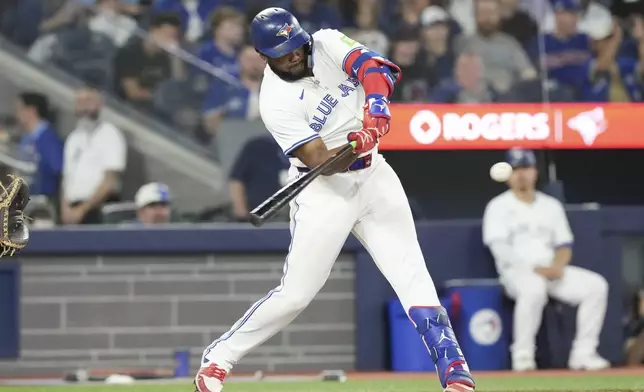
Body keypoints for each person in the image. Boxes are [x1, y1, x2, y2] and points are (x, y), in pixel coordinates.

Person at [194, 8, 475, 392]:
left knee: (411, 273)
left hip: (375, 176)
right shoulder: (274, 101)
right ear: (263, 56)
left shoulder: (324, 42)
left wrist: (376, 110)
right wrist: (355, 144)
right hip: (324, 192)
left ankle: (454, 368)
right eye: (283, 53)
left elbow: (376, 70)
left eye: (296, 46)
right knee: (296, 295)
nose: (294, 56)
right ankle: (219, 359)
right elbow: (319, 162)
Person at [482, 147, 610, 372]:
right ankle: (523, 356)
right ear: (509, 174)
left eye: (526, 168)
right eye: (517, 169)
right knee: (533, 289)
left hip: (551, 271)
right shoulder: (498, 206)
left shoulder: (550, 205)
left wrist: (557, 266)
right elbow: (500, 249)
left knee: (596, 286)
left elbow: (564, 244)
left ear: (535, 171)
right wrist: (534, 268)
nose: (522, 174)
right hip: (518, 273)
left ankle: (583, 353)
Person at [61, 87, 127, 225]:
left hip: (99, 209)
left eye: (88, 101)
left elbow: (110, 181)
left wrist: (82, 210)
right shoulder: (73, 138)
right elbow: (66, 179)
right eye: (79, 101)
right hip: (72, 211)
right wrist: (65, 209)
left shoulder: (110, 134)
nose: (83, 106)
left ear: (100, 105)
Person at [15, 92, 64, 200]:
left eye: (20, 109)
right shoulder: (26, 138)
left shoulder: (48, 138)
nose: (17, 115)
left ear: (32, 111)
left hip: (40, 200)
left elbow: (56, 169)